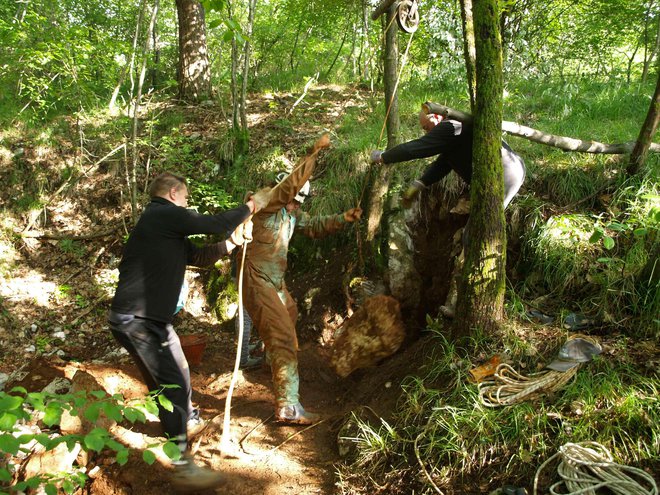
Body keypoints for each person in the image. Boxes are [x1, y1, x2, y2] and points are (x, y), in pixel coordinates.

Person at [108, 172, 270, 491]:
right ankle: (182, 463)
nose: (187, 205)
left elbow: (200, 256)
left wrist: (233, 241)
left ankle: (185, 420)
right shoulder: (161, 214)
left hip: (149, 320)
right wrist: (252, 205)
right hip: (137, 320)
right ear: (172, 194)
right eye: (185, 199)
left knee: (178, 371)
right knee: (172, 382)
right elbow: (212, 224)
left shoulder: (165, 229)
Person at [240, 134, 363, 425]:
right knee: (283, 338)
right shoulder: (267, 205)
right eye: (293, 200)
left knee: (290, 312)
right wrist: (313, 152)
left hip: (274, 280)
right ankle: (288, 406)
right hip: (256, 279)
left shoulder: (291, 214)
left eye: (298, 203)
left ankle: (271, 356)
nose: (295, 206)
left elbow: (314, 226)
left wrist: (343, 218)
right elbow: (289, 187)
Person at [370, 106, 525, 316]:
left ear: (436, 116)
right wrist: (420, 183)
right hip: (511, 171)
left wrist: (384, 157)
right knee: (477, 234)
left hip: (503, 175)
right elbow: (444, 163)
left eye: (426, 127)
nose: (426, 132)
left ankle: (470, 303)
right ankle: (471, 298)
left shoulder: (450, 126)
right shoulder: (456, 132)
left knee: (475, 236)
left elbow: (417, 148)